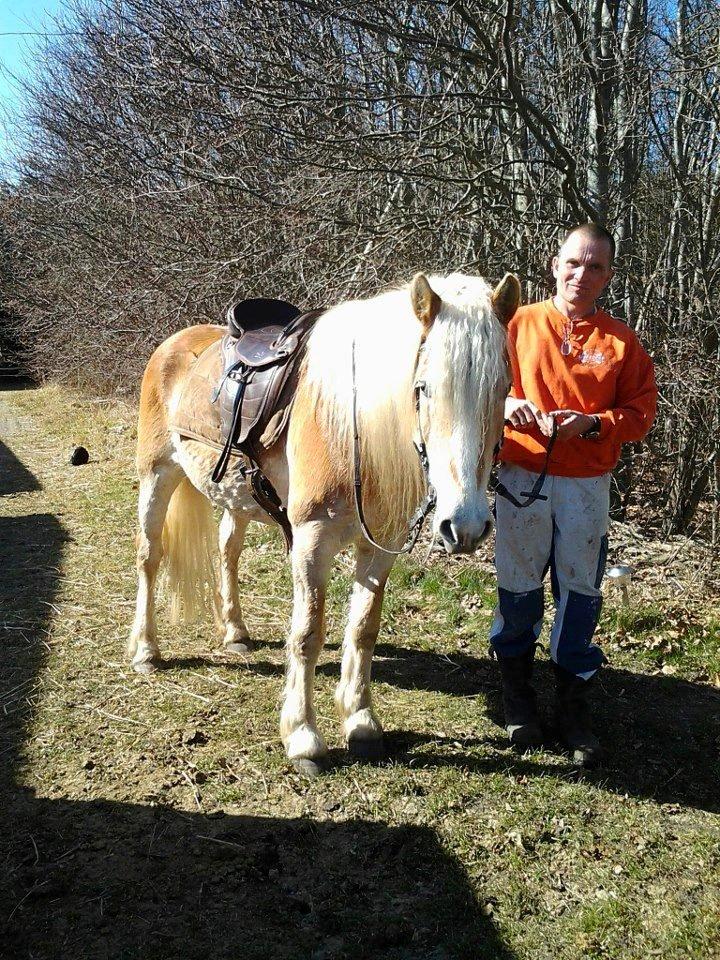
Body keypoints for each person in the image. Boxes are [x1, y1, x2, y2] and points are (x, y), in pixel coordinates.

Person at [489, 222, 657, 766]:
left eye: (595, 267)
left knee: (580, 589)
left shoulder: (621, 341)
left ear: (608, 276)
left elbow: (641, 414)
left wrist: (593, 424)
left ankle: (572, 702)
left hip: (586, 484)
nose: (582, 274)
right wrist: (506, 405)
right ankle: (517, 693)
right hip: (522, 475)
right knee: (518, 584)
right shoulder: (515, 324)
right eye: (574, 263)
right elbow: (476, 386)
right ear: (555, 265)